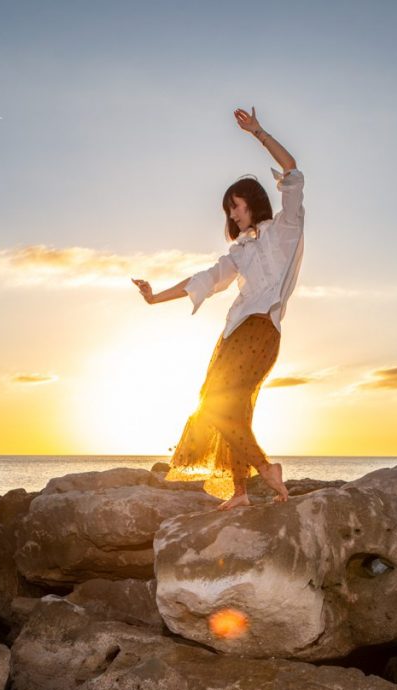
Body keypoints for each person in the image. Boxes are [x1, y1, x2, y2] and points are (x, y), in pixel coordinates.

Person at [132, 106, 304, 511]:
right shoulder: (238, 252)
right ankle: (240, 492)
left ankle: (266, 468)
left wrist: (258, 132)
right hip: (234, 333)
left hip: (263, 328)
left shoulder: (285, 229)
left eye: (237, 206)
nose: (232, 214)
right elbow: (204, 280)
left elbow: (292, 171)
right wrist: (154, 298)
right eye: (229, 209)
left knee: (218, 404)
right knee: (229, 406)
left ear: (254, 203)